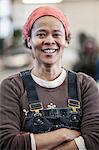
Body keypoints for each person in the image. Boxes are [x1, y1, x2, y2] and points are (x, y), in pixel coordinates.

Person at [0, 6, 99, 150]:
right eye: (41, 34)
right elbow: (7, 143)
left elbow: (95, 140)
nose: (49, 40)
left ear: (66, 40)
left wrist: (30, 141)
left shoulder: (84, 85)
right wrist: (64, 135)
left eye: (57, 34)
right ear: (29, 41)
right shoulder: (12, 87)